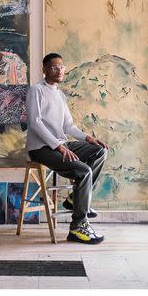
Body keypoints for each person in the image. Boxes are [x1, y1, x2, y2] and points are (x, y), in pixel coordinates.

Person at [26, 53, 109, 244]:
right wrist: (59, 147)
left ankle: (74, 198)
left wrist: (88, 138)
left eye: (61, 67)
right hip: (41, 148)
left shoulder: (60, 95)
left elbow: (68, 126)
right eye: (54, 67)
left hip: (60, 144)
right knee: (83, 170)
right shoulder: (36, 91)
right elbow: (35, 123)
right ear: (45, 70)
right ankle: (78, 226)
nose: (59, 70)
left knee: (99, 151)